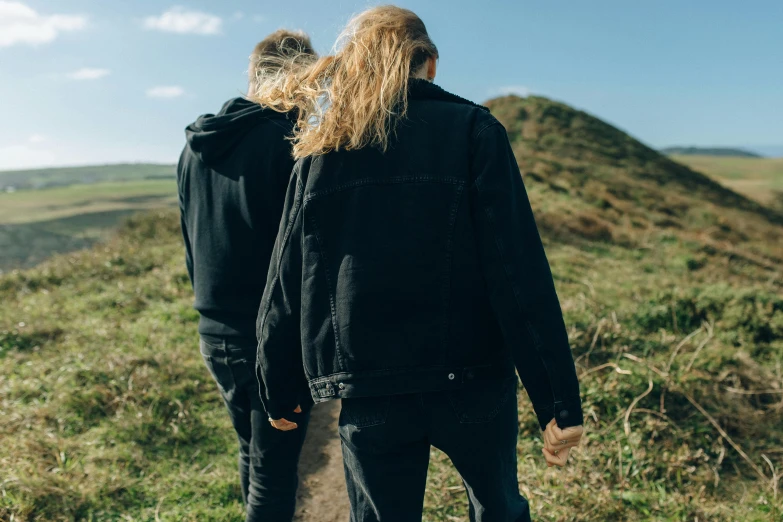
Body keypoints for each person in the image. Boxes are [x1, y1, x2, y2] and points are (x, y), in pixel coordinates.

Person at [253, 6, 584, 521]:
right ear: (428, 63)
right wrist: (558, 402)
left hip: (369, 388)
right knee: (499, 510)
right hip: (473, 380)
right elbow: (517, 269)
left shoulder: (322, 150)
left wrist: (277, 385)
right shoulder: (475, 131)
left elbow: (285, 280)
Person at [176, 30, 317, 522]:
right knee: (276, 473)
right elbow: (306, 252)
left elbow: (190, 242)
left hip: (212, 331)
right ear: (300, 78)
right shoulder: (290, 143)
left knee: (253, 454)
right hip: (268, 337)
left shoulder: (195, 148)